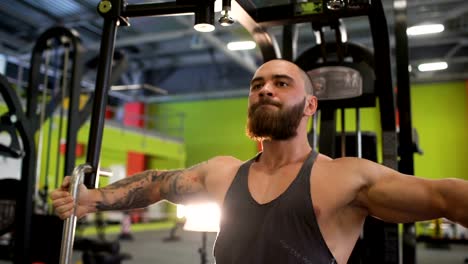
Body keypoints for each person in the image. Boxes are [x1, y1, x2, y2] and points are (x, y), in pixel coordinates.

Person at [51, 59, 468, 264]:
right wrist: (94, 199)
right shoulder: (223, 171)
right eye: (257, 85)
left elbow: (446, 197)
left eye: (280, 83)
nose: (264, 89)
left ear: (310, 105)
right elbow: (160, 181)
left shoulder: (346, 177)